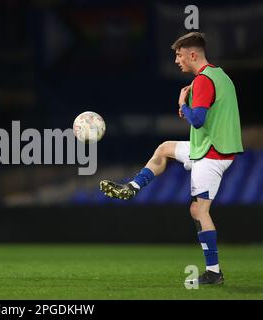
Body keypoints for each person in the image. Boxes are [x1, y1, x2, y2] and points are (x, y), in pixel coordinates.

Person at [100, 32, 243, 285]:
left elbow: (198, 120)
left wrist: (183, 105)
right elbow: (210, 115)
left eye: (178, 55)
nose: (177, 60)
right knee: (164, 148)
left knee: (199, 210)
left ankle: (213, 273)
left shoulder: (203, 81)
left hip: (211, 154)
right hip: (210, 147)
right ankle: (132, 188)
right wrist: (188, 110)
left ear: (192, 54)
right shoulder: (220, 76)